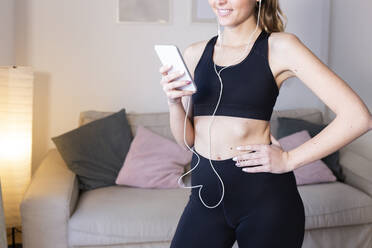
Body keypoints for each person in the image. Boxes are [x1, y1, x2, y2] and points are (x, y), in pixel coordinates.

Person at [158, 0, 372, 247]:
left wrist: (289, 159)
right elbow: (188, 141)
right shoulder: (195, 53)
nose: (219, 1)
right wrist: (174, 103)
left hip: (265, 201)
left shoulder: (281, 47)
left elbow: (358, 117)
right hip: (205, 197)